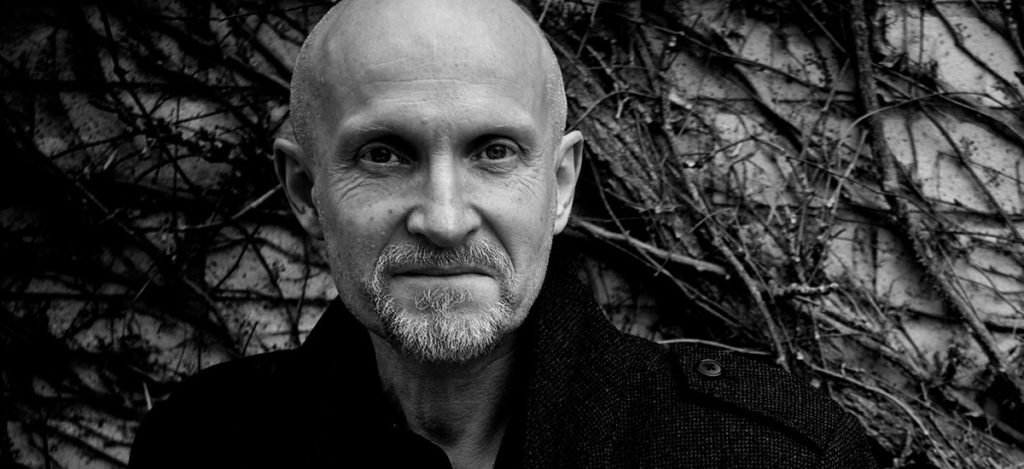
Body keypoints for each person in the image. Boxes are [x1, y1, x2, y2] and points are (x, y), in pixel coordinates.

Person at [129, 0, 878, 467]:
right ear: (304, 190)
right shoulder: (199, 447)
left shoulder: (773, 454)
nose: (444, 219)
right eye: (385, 154)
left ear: (560, 186)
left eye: (493, 152)